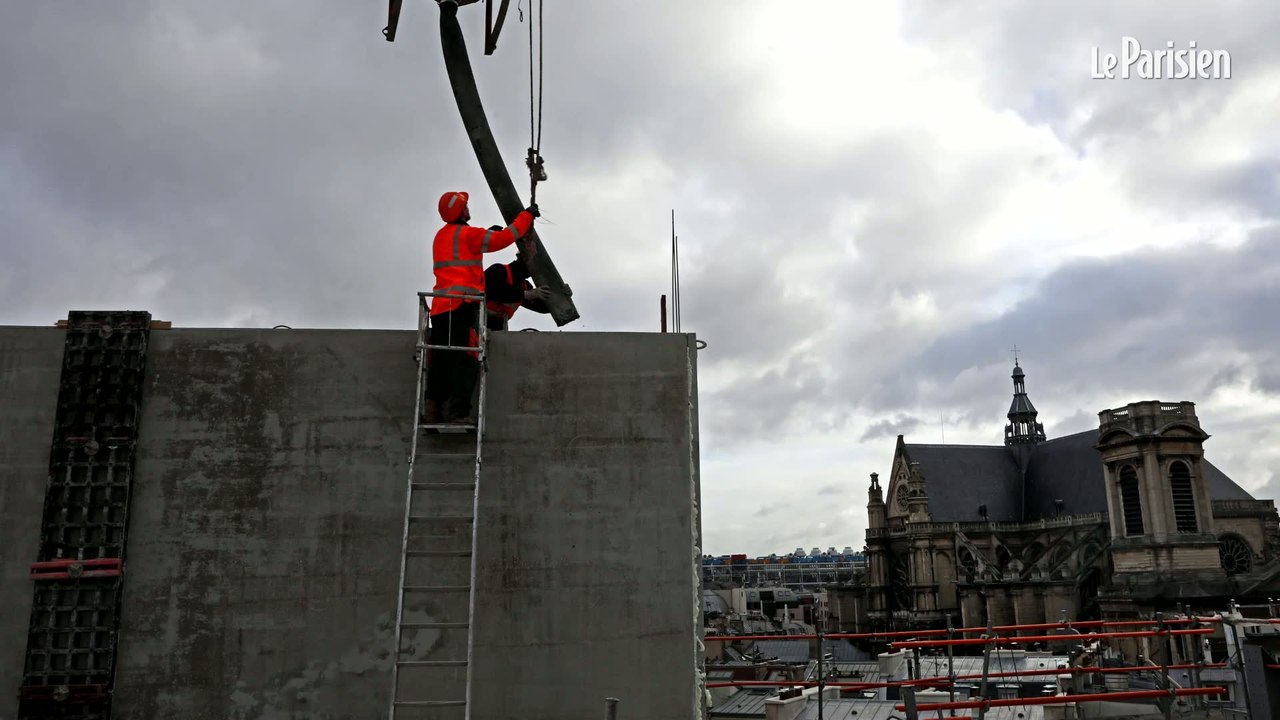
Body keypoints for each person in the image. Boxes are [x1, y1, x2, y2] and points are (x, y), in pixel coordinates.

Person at [425, 191, 538, 424]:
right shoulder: (469, 235)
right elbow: (505, 238)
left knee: (441, 358)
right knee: (466, 358)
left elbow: (463, 251)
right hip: (463, 306)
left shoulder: (441, 236)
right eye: (465, 206)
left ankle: (432, 408)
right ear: (462, 211)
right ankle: (458, 414)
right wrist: (526, 216)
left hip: (440, 307)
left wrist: (486, 233)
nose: (468, 208)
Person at [481, 234, 571, 331]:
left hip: (496, 331)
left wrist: (562, 296)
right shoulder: (498, 270)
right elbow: (494, 292)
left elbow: (543, 307)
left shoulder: (524, 286)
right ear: (521, 258)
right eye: (531, 261)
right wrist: (527, 294)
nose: (533, 269)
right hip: (473, 322)